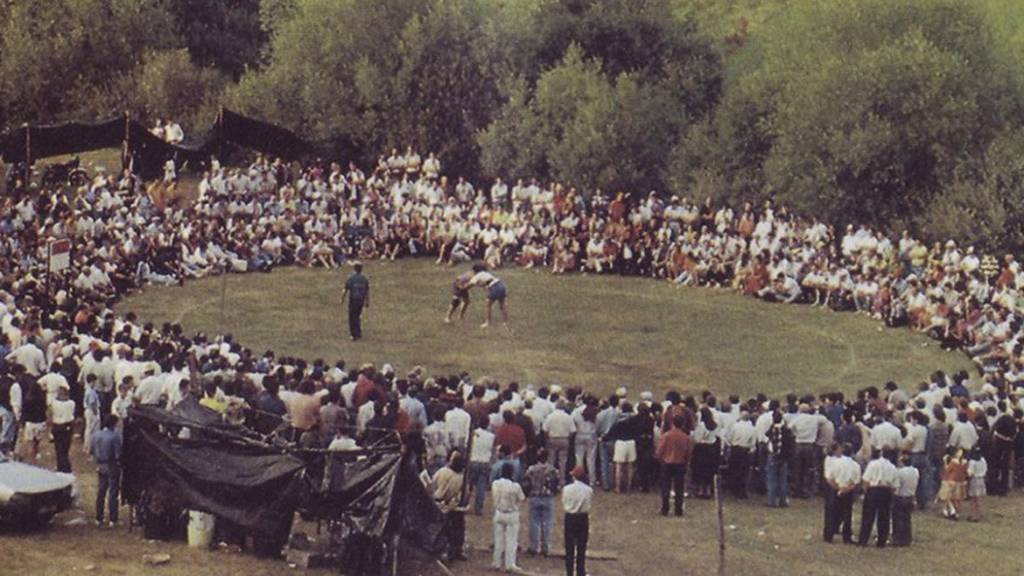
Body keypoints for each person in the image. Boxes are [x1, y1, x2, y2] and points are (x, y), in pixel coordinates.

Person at [522, 447, 561, 556]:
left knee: (534, 523)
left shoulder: (531, 470)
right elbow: (557, 485)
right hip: (548, 498)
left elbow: (525, 484)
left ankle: (534, 547)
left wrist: (528, 494)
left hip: (534, 497)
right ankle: (546, 547)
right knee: (547, 523)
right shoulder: (553, 470)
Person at [858, 450, 898, 547]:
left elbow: (866, 479)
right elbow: (894, 485)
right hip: (885, 490)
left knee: (868, 516)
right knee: (884, 517)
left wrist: (865, 491)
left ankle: (863, 540)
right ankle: (881, 541)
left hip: (873, 489)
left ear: (881, 453)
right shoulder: (892, 467)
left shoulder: (873, 464)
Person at [433, 452, 468, 562]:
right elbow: (465, 492)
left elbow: (433, 484)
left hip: (440, 503)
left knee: (445, 529)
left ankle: (445, 551)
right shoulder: (462, 477)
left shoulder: (442, 472)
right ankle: (455, 550)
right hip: (454, 505)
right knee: (457, 528)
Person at [490, 462, 525, 572]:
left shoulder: (495, 484)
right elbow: (521, 498)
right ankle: (510, 564)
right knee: (511, 540)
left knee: (498, 539)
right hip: (511, 513)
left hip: (499, 512)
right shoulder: (515, 486)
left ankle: (496, 562)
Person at [655, 414, 692, 516]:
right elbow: (688, 452)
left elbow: (659, 450)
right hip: (680, 463)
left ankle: (665, 509)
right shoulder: (686, 437)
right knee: (679, 488)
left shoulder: (666, 436)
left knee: (665, 487)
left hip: (667, 462)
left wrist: (659, 457)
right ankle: (678, 509)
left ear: (672, 423)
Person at [823, 443, 860, 543]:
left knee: (831, 512)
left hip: (835, 488)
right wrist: (846, 489)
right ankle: (846, 536)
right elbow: (856, 482)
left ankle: (828, 535)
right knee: (847, 513)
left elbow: (829, 478)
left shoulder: (835, 463)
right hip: (848, 490)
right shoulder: (855, 465)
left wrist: (837, 488)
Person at [91, 415, 123, 527]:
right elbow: (118, 454)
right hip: (111, 465)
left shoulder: (95, 435)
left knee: (101, 491)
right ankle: (113, 518)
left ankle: (99, 517)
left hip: (100, 464)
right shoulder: (114, 437)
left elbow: (91, 450)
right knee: (113, 492)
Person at [562, 465, 593, 576]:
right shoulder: (588, 490)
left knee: (569, 546)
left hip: (570, 517)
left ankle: (569, 572)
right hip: (582, 518)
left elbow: (564, 503)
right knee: (581, 546)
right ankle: (581, 571)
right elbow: (588, 504)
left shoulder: (566, 489)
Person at [468, 264, 508, 329]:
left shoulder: (477, 275)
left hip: (495, 287)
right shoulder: (485, 273)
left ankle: (487, 322)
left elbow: (470, 285)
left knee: (488, 305)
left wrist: (462, 288)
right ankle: (505, 322)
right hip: (501, 284)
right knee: (502, 305)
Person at [892, 453, 919, 546]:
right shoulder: (915, 471)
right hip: (910, 496)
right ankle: (907, 538)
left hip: (900, 496)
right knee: (907, 519)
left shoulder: (900, 472)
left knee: (898, 519)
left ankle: (898, 539)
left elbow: (897, 486)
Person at [49, 385, 75, 473]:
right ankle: (65, 466)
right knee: (65, 448)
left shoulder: (54, 403)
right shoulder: (71, 403)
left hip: (57, 426)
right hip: (68, 426)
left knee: (58, 448)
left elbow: (50, 413)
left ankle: (61, 466)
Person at [342, 262, 370, 340]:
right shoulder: (364, 279)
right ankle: (358, 332)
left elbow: (345, 290)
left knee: (352, 317)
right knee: (357, 316)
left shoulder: (351, 278)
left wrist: (342, 299)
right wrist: (367, 301)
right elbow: (367, 291)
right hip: (361, 300)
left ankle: (354, 334)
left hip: (353, 300)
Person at [938, 448, 968, 520]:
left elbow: (947, 470)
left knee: (948, 496)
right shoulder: (965, 462)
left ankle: (951, 510)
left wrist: (945, 461)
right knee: (958, 498)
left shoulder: (953, 462)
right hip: (961, 481)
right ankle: (955, 512)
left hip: (952, 480)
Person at [966, 447, 988, 522]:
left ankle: (973, 515)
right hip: (982, 480)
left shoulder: (972, 462)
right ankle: (979, 514)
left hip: (974, 480)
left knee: (973, 499)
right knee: (979, 498)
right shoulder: (983, 460)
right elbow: (985, 470)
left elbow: (970, 473)